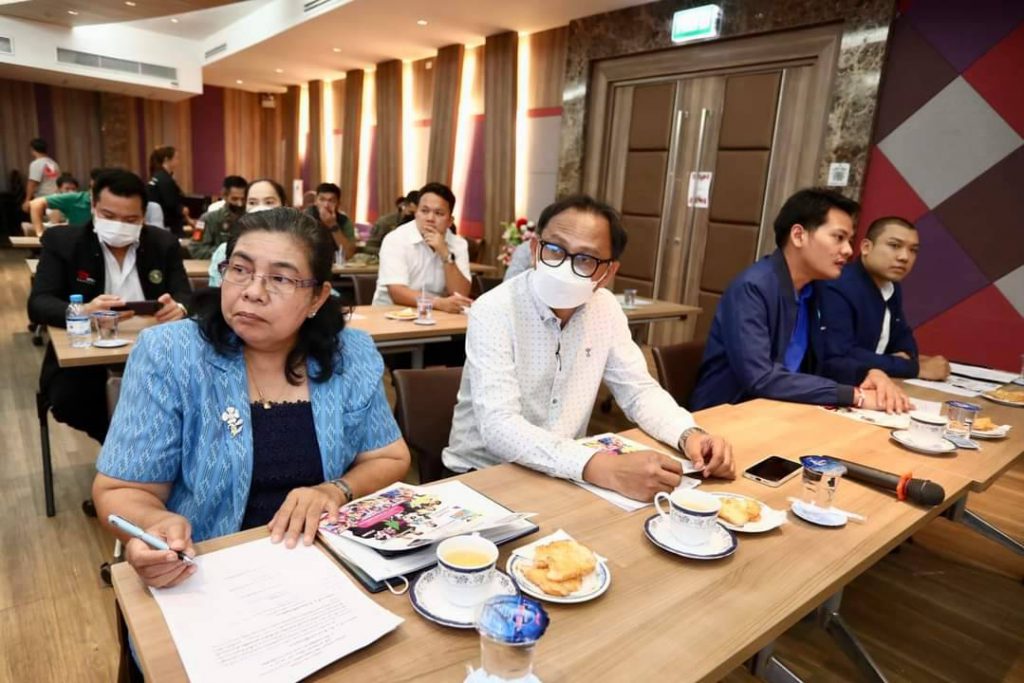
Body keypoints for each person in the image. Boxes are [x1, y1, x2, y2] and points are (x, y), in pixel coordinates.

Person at [92, 207, 411, 589]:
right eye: (240, 270)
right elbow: (121, 490)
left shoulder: (350, 353)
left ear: (317, 297)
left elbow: (390, 457)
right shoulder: (170, 353)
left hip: (325, 566)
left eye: (280, 278)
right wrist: (154, 523)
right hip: (206, 571)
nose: (253, 292)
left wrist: (335, 490)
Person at [443, 195, 735, 502]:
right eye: (555, 250)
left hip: (566, 471)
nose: (565, 267)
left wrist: (689, 435)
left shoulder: (604, 308)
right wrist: (603, 468)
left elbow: (638, 391)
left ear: (607, 273)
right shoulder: (495, 309)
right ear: (535, 249)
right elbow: (499, 426)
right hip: (483, 474)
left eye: (585, 259)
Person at [690, 188, 911, 413]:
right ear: (798, 235)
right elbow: (761, 377)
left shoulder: (815, 289)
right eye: (838, 238)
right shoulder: (753, 288)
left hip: (784, 409)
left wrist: (868, 374)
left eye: (850, 240)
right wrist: (855, 395)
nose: (847, 250)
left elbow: (827, 361)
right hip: (729, 414)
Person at [28, 169, 190, 443]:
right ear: (93, 206)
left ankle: (145, 451)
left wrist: (180, 308)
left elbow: (185, 295)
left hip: (156, 353)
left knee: (186, 394)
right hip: (85, 361)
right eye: (109, 216)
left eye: (130, 220)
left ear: (143, 216)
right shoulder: (64, 242)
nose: (119, 225)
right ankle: (125, 450)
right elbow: (39, 303)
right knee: (74, 400)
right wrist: (83, 312)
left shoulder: (163, 244)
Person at [822, 216, 950, 384]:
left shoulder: (891, 286)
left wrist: (903, 361)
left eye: (913, 250)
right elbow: (840, 354)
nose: (904, 257)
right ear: (866, 247)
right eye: (894, 245)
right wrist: (914, 368)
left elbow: (904, 342)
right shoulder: (837, 285)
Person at [373, 182, 473, 313]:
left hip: (438, 315)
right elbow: (397, 292)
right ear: (416, 213)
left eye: (439, 213)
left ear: (450, 221)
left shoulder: (458, 244)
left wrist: (445, 254)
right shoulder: (396, 239)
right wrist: (437, 303)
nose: (430, 218)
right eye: (424, 211)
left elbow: (460, 294)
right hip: (391, 313)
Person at [208, 178, 287, 285]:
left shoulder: (296, 250)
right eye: (252, 202)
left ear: (283, 205)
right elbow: (216, 292)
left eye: (269, 202)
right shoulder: (223, 252)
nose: (260, 208)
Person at [28, 168, 106, 235]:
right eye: (67, 189)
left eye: (73, 189)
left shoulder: (109, 201)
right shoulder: (76, 198)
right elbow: (35, 204)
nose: (70, 191)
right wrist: (39, 232)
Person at [190, 175, 248, 259]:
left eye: (243, 199)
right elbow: (195, 249)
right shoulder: (206, 219)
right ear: (224, 196)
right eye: (235, 199)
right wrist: (223, 253)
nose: (240, 204)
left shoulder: (252, 219)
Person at [304, 182, 357, 260]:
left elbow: (349, 254)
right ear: (315, 201)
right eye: (322, 199)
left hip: (335, 264)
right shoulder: (305, 217)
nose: (326, 205)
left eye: (331, 201)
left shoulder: (344, 221)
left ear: (338, 204)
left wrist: (333, 225)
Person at [146, 146, 191, 236]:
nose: (178, 161)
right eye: (176, 158)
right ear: (166, 160)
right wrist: (182, 209)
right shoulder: (165, 180)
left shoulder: (157, 177)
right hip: (168, 227)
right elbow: (171, 203)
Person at [365, 191, 419, 256]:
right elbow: (370, 247)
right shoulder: (385, 222)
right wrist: (390, 252)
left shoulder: (421, 224)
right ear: (403, 205)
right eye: (411, 213)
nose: (414, 217)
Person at [22, 138, 61, 211]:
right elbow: (52, 180)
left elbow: (32, 183)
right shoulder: (52, 163)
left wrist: (27, 200)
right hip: (55, 197)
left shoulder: (36, 164)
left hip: (43, 198)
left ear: (32, 149)